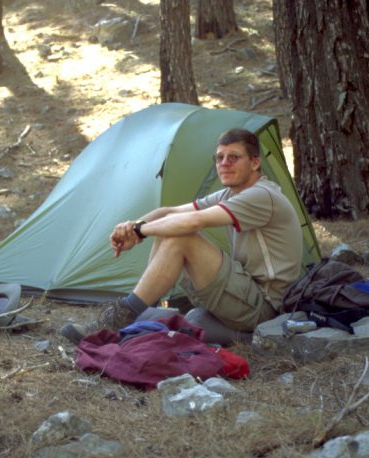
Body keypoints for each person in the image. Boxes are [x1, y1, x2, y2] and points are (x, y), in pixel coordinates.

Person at [60, 128, 303, 345]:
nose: (224, 163)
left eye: (234, 157)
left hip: (264, 307)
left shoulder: (262, 195)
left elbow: (195, 221)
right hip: (245, 295)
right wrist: (134, 225)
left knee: (181, 235)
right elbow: (169, 212)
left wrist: (139, 231)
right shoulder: (230, 194)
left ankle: (120, 318)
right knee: (169, 227)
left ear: (255, 163)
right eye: (219, 157)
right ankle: (140, 313)